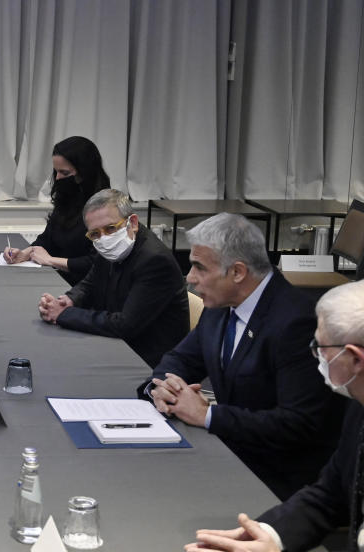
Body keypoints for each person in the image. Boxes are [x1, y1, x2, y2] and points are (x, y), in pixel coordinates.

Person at [184, 280, 364, 552]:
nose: (314, 358)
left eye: (320, 349)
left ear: (354, 359)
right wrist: (266, 533)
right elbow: (329, 494)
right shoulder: (359, 403)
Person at [141, 213, 345, 500]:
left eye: (199, 268)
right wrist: (161, 388)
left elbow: (297, 424)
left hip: (279, 476)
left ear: (237, 272)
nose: (190, 278)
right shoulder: (221, 304)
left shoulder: (295, 323)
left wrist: (208, 415)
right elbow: (182, 359)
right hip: (231, 449)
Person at [38, 189, 188, 367]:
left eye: (110, 228)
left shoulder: (154, 260)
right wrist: (69, 300)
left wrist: (64, 314)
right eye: (95, 234)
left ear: (132, 222)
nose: (104, 238)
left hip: (148, 361)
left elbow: (125, 325)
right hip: (119, 344)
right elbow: (91, 282)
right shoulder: (111, 244)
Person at [3, 136, 110, 285]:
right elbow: (47, 240)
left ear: (85, 172)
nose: (58, 178)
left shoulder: (106, 209)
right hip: (56, 280)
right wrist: (25, 253)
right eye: (56, 171)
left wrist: (50, 260)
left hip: (84, 288)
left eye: (65, 173)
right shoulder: (67, 198)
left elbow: (97, 263)